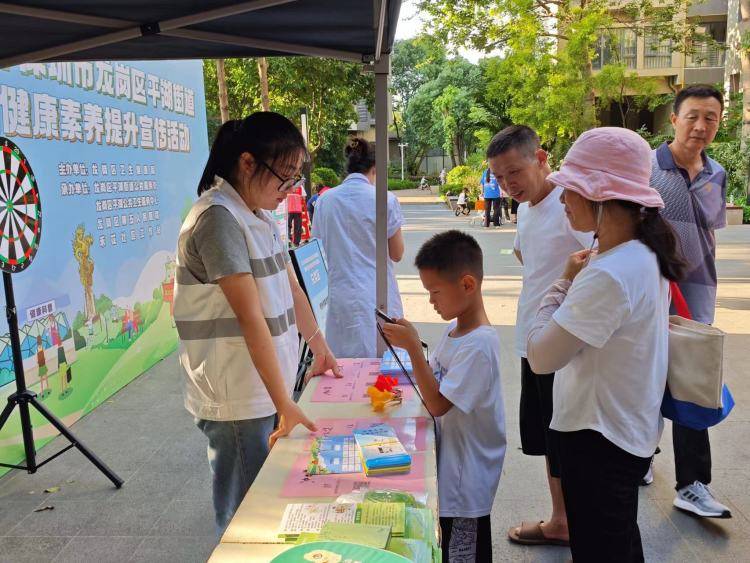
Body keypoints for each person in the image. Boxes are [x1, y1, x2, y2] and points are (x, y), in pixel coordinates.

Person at [174, 113, 341, 533]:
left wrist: (319, 347)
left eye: (294, 181)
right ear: (247, 163)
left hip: (265, 385)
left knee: (265, 498)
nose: (290, 191)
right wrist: (284, 402)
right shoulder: (218, 219)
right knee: (246, 515)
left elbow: (293, 291)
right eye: (284, 179)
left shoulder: (258, 214)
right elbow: (250, 319)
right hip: (237, 392)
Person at [527, 127, 687, 562]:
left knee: (601, 546)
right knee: (617, 538)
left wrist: (560, 283)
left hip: (597, 439)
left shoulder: (608, 273)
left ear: (602, 197)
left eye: (571, 190)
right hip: (627, 430)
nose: (562, 200)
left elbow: (541, 356)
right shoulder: (643, 254)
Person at [487, 125, 592, 548]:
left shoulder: (571, 206)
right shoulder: (527, 207)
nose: (508, 184)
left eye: (514, 172)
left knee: (567, 439)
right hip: (533, 338)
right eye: (499, 177)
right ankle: (562, 520)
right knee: (548, 437)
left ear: (542, 157)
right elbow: (523, 253)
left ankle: (575, 524)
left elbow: (597, 259)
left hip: (564, 345)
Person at [383, 230, 505, 563]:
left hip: (466, 483)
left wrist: (412, 346)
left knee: (464, 553)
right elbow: (434, 383)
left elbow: (437, 403)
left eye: (435, 292)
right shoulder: (456, 331)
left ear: (468, 285)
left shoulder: (479, 345)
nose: (431, 301)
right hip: (452, 471)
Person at [649, 84, 731, 518]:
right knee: (643, 375)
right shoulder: (645, 167)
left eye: (711, 118)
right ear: (675, 119)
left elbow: (709, 232)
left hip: (697, 293)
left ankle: (693, 484)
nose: (701, 126)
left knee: (691, 381)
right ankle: (641, 454)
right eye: (693, 116)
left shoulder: (716, 172)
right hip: (649, 292)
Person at [312, 138, 405, 358]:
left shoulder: (326, 201)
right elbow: (397, 253)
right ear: (374, 169)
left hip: (341, 293)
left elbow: (318, 245)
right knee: (383, 366)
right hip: (379, 292)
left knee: (345, 368)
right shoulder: (386, 199)